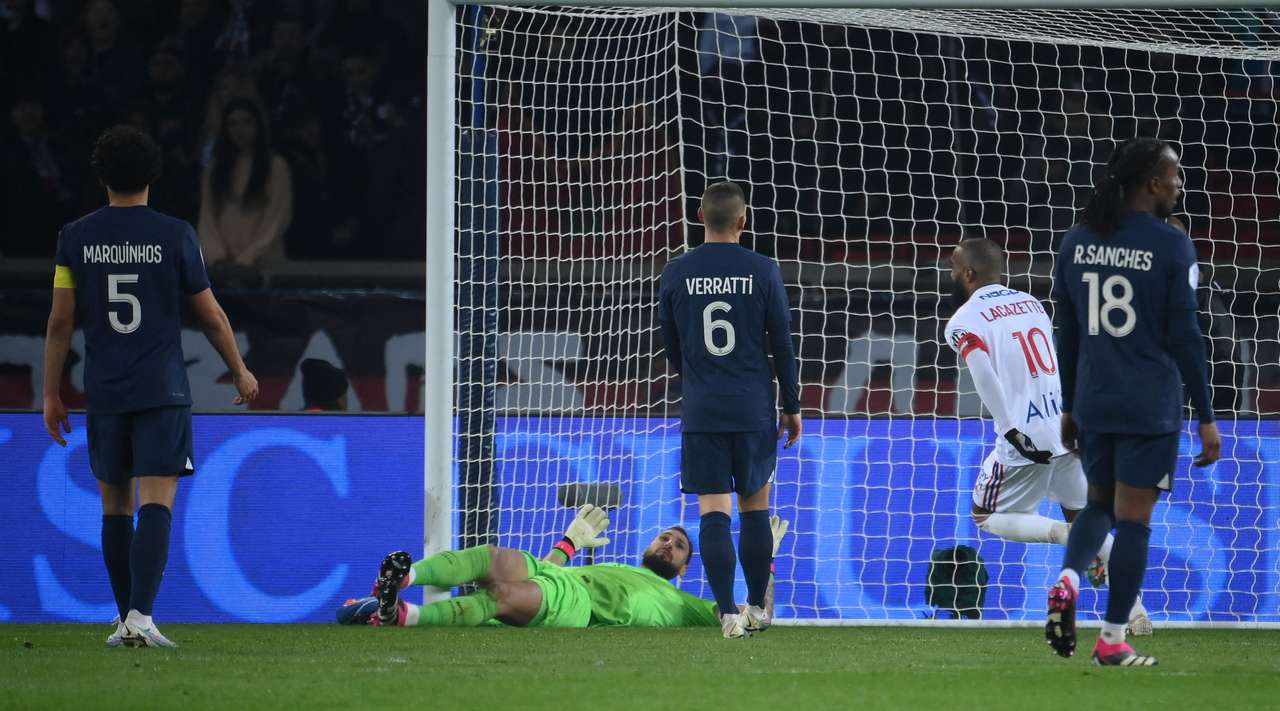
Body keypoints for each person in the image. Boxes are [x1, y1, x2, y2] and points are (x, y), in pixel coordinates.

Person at [41, 126, 259, 648]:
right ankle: (140, 616)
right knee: (156, 503)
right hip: (161, 389)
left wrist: (51, 393)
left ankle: (124, 620)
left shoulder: (75, 237)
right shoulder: (176, 234)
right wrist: (240, 367)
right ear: (153, 175)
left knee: (113, 507)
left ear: (101, 176)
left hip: (105, 392)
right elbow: (208, 314)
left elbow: (59, 322)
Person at [1047, 136, 1220, 666]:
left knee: (1098, 505)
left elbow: (1067, 331)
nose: (1179, 185)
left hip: (1095, 399)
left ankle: (1070, 577)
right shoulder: (1171, 244)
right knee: (1135, 521)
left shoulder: (1077, 241)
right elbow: (1186, 337)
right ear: (1152, 183)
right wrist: (1207, 417)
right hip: (1150, 403)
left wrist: (1070, 406)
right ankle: (1112, 639)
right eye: (1175, 176)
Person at [945, 238, 1150, 634]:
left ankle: (1061, 535)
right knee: (1085, 516)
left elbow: (982, 371)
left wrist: (1008, 427)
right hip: (1065, 427)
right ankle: (1136, 609)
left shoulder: (963, 320)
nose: (952, 275)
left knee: (986, 515)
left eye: (954, 268)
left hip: (1024, 438)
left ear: (968, 274)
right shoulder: (1032, 304)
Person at [656, 180, 802, 638]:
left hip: (702, 408)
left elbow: (670, 346)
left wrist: (697, 377)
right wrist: (792, 405)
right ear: (743, 220)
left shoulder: (676, 272)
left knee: (713, 511)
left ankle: (725, 614)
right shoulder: (763, 269)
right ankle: (757, 606)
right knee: (755, 509)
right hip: (753, 406)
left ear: (699, 217)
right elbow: (781, 342)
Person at [338, 505, 789, 630]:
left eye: (678, 546)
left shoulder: (684, 604)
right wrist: (569, 543)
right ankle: (402, 581)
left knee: (500, 596)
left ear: (687, 569)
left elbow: (755, 618)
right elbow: (552, 569)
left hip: (576, 607)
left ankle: (401, 615)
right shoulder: (614, 563)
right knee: (491, 558)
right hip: (557, 577)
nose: (668, 543)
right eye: (664, 537)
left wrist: (762, 561)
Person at [197, 98, 293, 281]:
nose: (239, 129)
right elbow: (207, 217)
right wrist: (216, 256)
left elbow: (277, 218)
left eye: (247, 121)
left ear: (258, 125)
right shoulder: (214, 169)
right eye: (232, 124)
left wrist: (247, 259)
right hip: (221, 267)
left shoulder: (276, 166)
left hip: (263, 264)